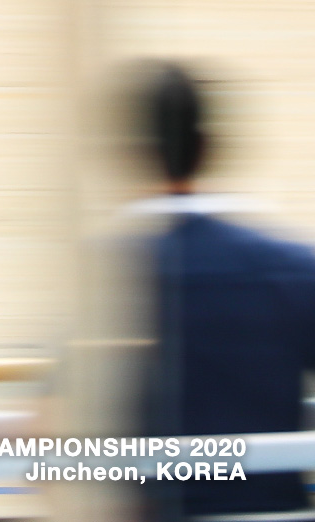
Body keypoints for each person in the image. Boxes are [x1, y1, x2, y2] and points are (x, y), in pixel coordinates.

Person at [137, 62, 315, 521]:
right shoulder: (292, 271)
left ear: (133, 154)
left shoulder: (103, 281)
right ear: (208, 147)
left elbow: (50, 431)